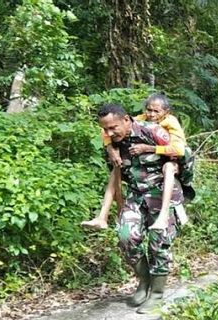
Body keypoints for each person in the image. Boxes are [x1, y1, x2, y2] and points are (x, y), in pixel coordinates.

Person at [97, 103, 183, 316]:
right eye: (105, 129)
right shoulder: (113, 143)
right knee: (126, 236)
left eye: (113, 127)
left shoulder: (153, 131)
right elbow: (116, 175)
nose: (109, 132)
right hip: (136, 195)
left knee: (159, 244)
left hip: (163, 194)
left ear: (126, 120)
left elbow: (180, 158)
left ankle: (157, 293)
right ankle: (144, 282)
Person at [82, 93, 194, 230]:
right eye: (149, 110)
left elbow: (180, 150)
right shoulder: (137, 121)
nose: (152, 114)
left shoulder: (168, 123)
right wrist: (110, 149)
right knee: (116, 167)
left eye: (156, 111)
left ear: (166, 112)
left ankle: (164, 215)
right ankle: (102, 216)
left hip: (175, 157)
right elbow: (109, 129)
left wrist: (148, 148)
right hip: (140, 185)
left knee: (169, 167)